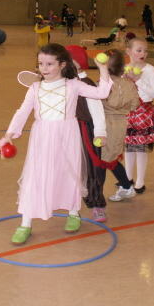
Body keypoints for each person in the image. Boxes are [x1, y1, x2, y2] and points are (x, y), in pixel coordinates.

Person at [0, 43, 112, 245]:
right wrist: (9, 134)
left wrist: (103, 68)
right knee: (35, 177)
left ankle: (73, 213)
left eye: (49, 64)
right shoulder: (35, 88)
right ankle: (25, 223)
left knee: (68, 173)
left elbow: (102, 93)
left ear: (62, 64)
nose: (44, 68)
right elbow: (22, 112)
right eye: (41, 63)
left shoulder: (74, 85)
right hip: (42, 136)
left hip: (67, 135)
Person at [66, 45, 108, 221]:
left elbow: (97, 111)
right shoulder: (62, 82)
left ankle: (96, 203)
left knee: (91, 167)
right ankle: (70, 204)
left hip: (85, 130)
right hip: (66, 130)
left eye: (67, 60)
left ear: (79, 63)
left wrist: (100, 132)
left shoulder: (87, 84)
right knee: (68, 167)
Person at [97, 50, 141, 202]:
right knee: (112, 158)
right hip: (121, 123)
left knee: (102, 160)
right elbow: (135, 105)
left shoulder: (102, 85)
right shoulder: (130, 84)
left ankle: (97, 195)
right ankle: (127, 187)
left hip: (105, 124)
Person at [123, 37, 154, 193]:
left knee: (140, 147)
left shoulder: (149, 69)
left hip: (143, 113)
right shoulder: (124, 68)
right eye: (139, 50)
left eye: (145, 50)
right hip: (128, 112)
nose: (143, 53)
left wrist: (138, 80)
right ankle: (127, 178)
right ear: (128, 51)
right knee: (128, 147)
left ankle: (140, 181)